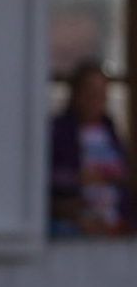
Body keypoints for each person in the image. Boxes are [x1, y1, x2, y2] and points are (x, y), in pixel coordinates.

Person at [50, 59, 132, 236]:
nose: (95, 99)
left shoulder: (112, 134)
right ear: (76, 93)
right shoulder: (58, 132)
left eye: (101, 93)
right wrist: (76, 178)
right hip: (74, 222)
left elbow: (124, 182)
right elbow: (45, 177)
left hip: (114, 225)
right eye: (90, 92)